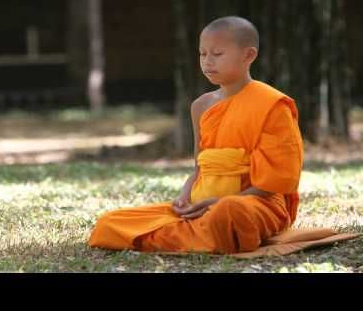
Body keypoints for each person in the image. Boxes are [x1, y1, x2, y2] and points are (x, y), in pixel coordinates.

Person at [88, 16, 304, 254]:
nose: (207, 62)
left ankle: (204, 233)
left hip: (255, 205)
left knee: (229, 213)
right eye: (202, 54)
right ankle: (209, 235)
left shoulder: (272, 104)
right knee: (111, 221)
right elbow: (200, 169)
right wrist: (184, 199)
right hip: (201, 206)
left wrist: (218, 203)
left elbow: (275, 184)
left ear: (249, 55)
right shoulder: (201, 106)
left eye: (218, 54)